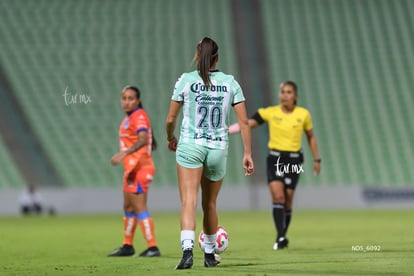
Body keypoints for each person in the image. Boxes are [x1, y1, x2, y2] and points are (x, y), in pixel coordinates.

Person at [166, 37, 254, 269]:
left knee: (188, 202)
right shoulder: (230, 83)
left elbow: (170, 119)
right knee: (210, 204)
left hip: (190, 146)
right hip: (217, 148)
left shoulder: (186, 80)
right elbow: (244, 122)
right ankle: (209, 254)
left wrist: (170, 137)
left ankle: (187, 252)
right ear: (218, 57)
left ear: (197, 56)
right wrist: (247, 153)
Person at [229, 81, 321, 250]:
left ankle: (282, 235)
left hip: (294, 160)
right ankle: (280, 237)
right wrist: (228, 130)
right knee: (278, 197)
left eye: (289, 92)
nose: (285, 95)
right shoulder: (270, 112)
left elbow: (311, 137)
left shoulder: (303, 114)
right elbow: (248, 123)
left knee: (288, 200)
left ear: (295, 96)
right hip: (275, 158)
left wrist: (317, 159)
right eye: (283, 92)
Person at [108, 85, 161, 257]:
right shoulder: (128, 119)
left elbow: (143, 139)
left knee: (139, 207)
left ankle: (153, 247)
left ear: (138, 101)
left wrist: (125, 153)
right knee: (128, 206)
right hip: (131, 169)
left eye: (131, 98)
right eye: (124, 98)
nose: (126, 101)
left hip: (141, 168)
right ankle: (127, 245)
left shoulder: (138, 116)